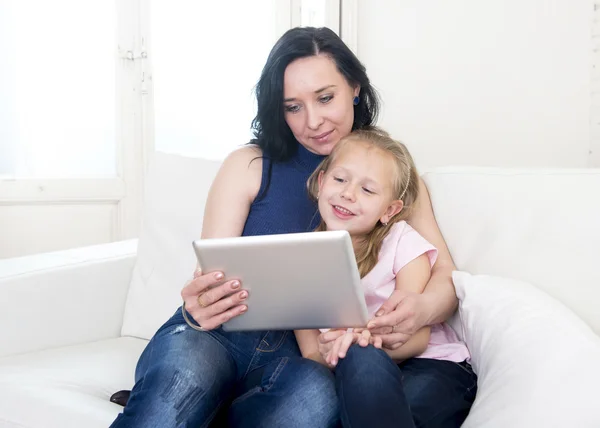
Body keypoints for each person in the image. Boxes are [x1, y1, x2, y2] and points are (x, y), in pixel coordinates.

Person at [111, 26, 469, 428]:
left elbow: (444, 274)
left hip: (304, 358)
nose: (312, 121)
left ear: (354, 86)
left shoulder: (394, 178)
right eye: (292, 107)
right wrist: (199, 304)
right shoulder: (248, 165)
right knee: (176, 393)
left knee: (313, 401)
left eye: (325, 98)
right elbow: (213, 271)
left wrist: (420, 310)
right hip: (217, 335)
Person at [295, 128, 477, 427]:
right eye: (340, 179)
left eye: (367, 190)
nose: (348, 193)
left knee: (367, 365)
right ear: (321, 182)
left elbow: (417, 338)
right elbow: (312, 351)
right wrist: (332, 352)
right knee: (358, 371)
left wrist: (357, 344)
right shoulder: (301, 259)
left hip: (431, 365)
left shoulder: (402, 243)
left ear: (389, 210)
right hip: (356, 375)